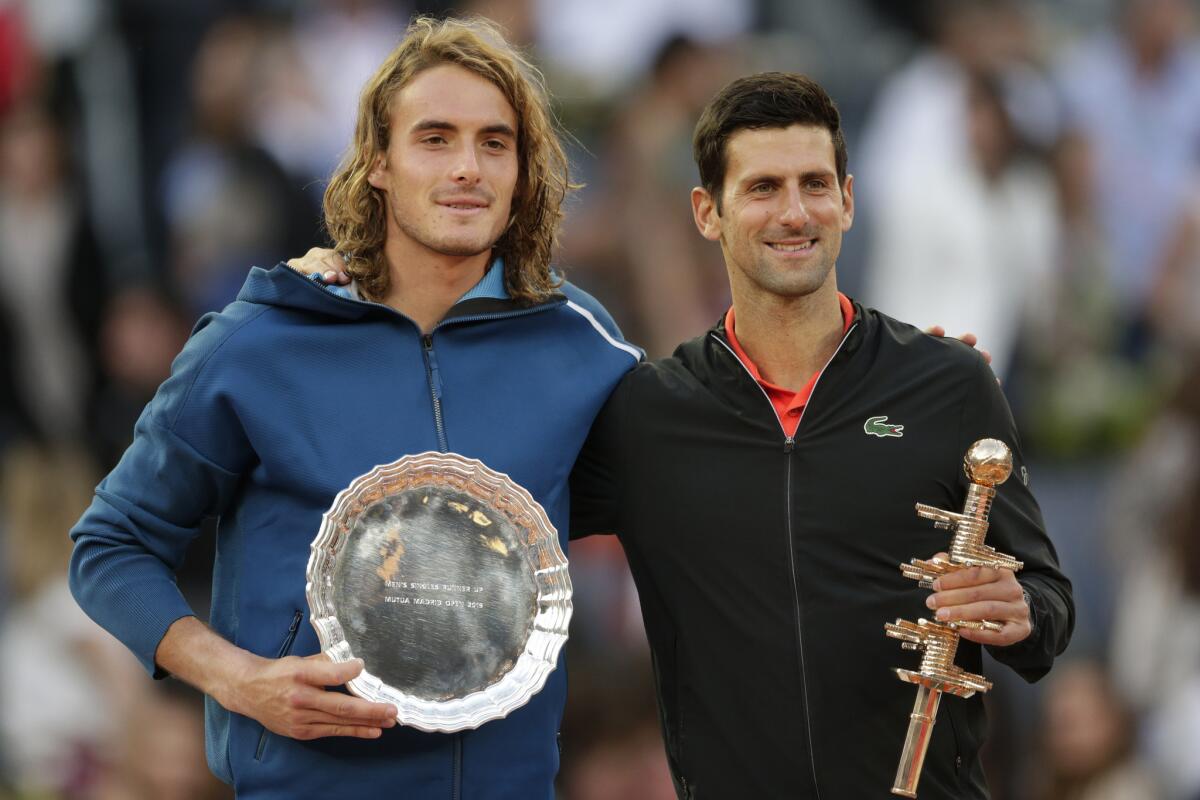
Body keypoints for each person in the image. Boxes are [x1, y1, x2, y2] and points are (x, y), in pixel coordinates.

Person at [68, 16, 639, 799]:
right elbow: (110, 544)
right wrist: (238, 680)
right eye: (434, 139)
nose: (467, 168)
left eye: (494, 142)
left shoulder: (584, 345)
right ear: (378, 163)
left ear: (523, 168)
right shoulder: (263, 343)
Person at [565, 73, 1074, 798]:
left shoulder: (950, 384)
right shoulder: (646, 413)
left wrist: (1020, 610)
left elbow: (1048, 603)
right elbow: (503, 533)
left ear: (849, 200)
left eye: (814, 184)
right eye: (764, 187)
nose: (795, 212)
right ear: (708, 212)